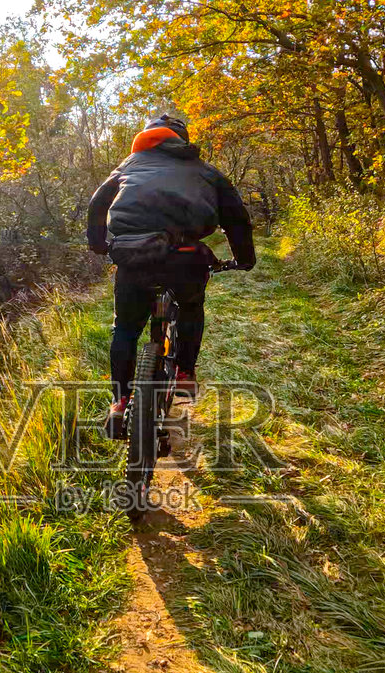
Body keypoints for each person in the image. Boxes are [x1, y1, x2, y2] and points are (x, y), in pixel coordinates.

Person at [86, 114, 255, 437]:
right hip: (185, 257)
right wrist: (244, 259)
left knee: (125, 329)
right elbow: (236, 216)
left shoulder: (129, 165)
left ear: (147, 138)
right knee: (191, 306)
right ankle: (185, 374)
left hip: (132, 256)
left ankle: (119, 403)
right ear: (181, 140)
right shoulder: (204, 170)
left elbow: (97, 204)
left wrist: (98, 245)